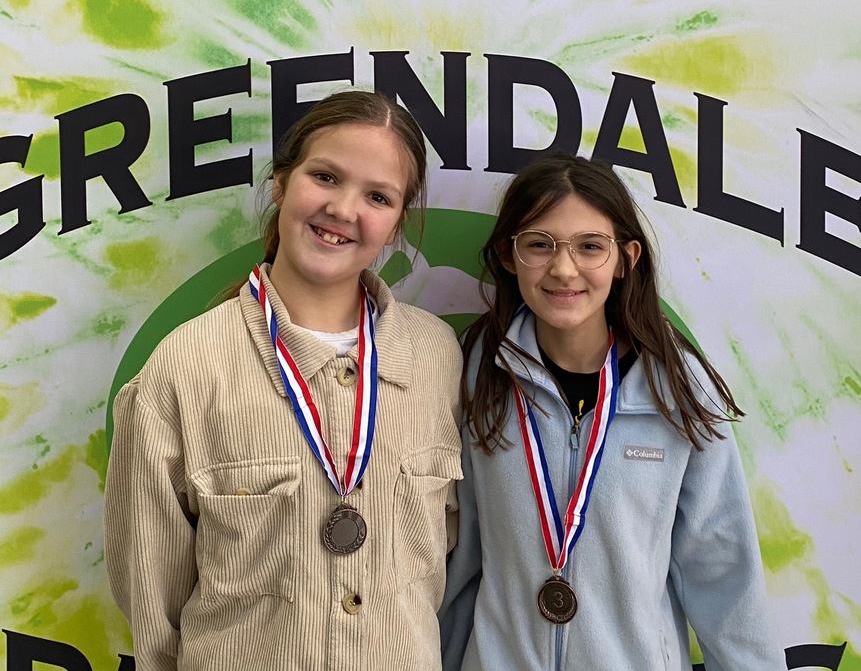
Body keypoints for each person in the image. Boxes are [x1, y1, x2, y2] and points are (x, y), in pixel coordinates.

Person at [105, 90, 463, 671]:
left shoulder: (436, 357)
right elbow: (154, 599)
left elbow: (443, 555)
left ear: (398, 222)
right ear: (281, 184)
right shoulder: (185, 367)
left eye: (378, 196)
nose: (345, 210)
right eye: (325, 176)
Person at [439, 153, 785, 671]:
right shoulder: (477, 376)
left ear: (625, 258)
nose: (563, 268)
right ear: (510, 257)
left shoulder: (680, 395)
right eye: (539, 244)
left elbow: (725, 577)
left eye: (590, 247)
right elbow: (457, 562)